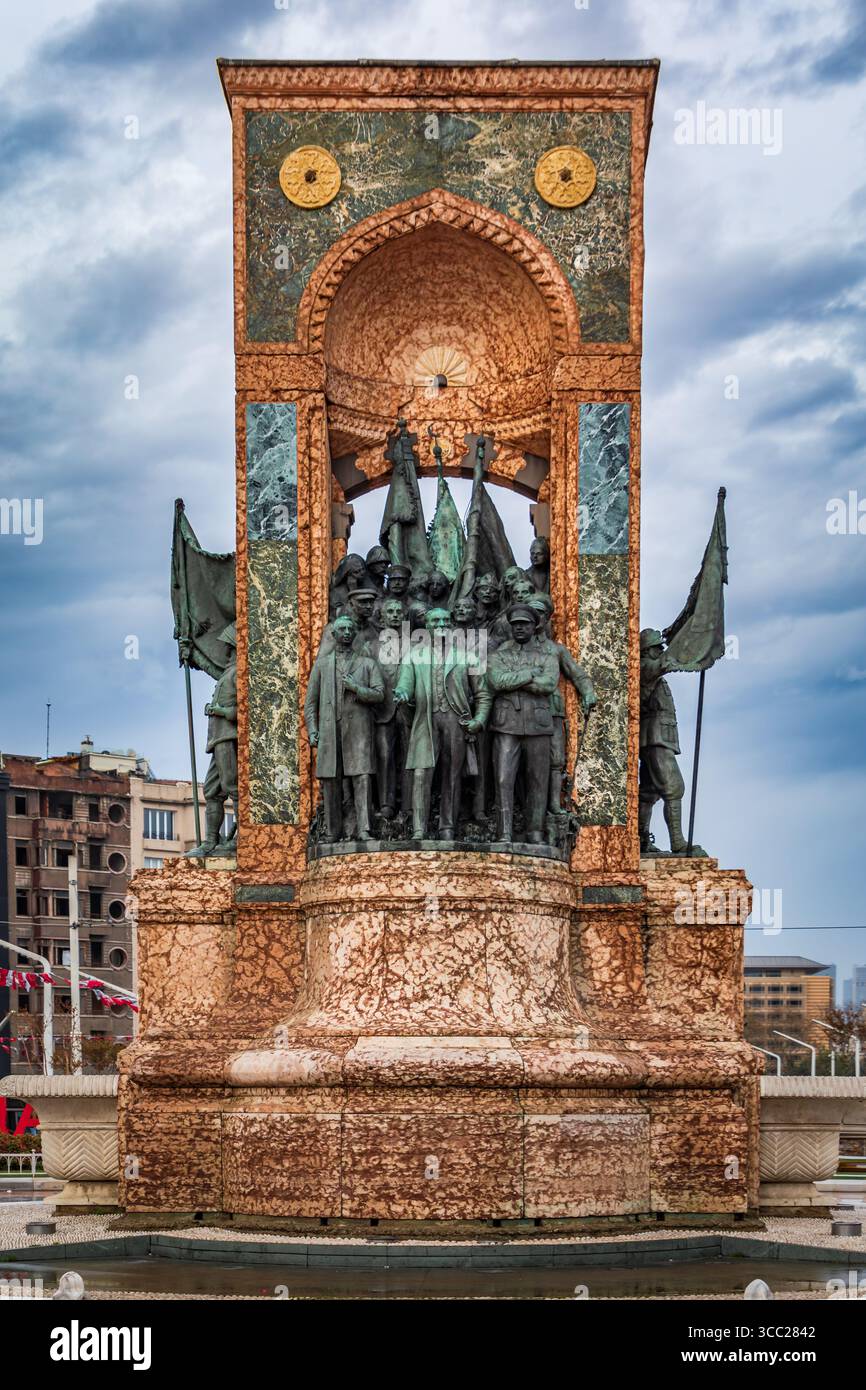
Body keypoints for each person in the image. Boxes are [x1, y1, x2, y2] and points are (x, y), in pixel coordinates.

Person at [394, 608, 490, 841]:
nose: (441, 624)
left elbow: (483, 694)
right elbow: (405, 684)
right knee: (421, 774)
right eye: (436, 620)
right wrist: (403, 694)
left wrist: (479, 720)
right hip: (425, 719)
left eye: (446, 620)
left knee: (452, 775)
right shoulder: (414, 656)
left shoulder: (466, 656)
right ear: (426, 626)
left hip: (455, 722)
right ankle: (419, 829)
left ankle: (447, 827)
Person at [304, 614, 384, 842]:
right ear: (334, 634)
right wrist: (312, 730)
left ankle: (364, 829)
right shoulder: (322, 665)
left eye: (351, 628)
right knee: (330, 780)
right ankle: (332, 831)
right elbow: (311, 702)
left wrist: (357, 688)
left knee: (362, 778)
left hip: (358, 729)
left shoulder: (367, 663)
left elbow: (380, 694)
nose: (347, 632)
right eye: (343, 629)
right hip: (330, 731)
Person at [487, 604, 560, 844]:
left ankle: (535, 832)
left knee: (538, 780)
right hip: (507, 724)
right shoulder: (499, 656)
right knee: (503, 779)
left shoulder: (547, 657)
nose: (519, 628)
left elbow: (548, 685)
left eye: (524, 624)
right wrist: (529, 674)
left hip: (538, 725)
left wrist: (514, 680)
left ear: (534, 626)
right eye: (516, 624)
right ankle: (504, 832)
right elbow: (497, 682)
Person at [527, 594, 597, 813]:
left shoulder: (556, 649)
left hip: (551, 708)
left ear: (547, 617)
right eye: (531, 612)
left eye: (539, 612)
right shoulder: (514, 647)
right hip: (524, 707)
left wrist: (588, 692)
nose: (535, 617)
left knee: (556, 758)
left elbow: (578, 675)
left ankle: (554, 805)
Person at [185, 624, 238, 858]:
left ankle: (243, 838)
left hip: (228, 736)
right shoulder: (228, 671)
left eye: (228, 647)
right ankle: (210, 842)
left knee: (233, 787)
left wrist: (221, 711)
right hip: (218, 739)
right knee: (212, 789)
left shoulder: (239, 672)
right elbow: (209, 665)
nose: (225, 652)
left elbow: (245, 708)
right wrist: (189, 652)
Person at [639, 628, 688, 854]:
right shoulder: (646, 667)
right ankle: (678, 843)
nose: (661, 651)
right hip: (655, 737)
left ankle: (640, 839)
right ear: (648, 651)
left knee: (650, 791)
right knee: (673, 787)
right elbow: (664, 663)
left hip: (658, 736)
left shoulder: (652, 671)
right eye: (657, 648)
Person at [373, 597, 412, 820]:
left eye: (399, 611)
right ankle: (386, 804)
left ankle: (408, 806)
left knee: (409, 757)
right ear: (382, 616)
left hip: (407, 709)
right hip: (382, 709)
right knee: (385, 755)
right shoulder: (371, 645)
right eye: (391, 611)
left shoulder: (416, 644)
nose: (396, 615)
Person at [328, 552, 368, 619]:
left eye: (362, 569)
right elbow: (338, 615)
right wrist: (353, 591)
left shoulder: (366, 586)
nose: (361, 574)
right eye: (356, 572)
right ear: (347, 574)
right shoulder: (337, 593)